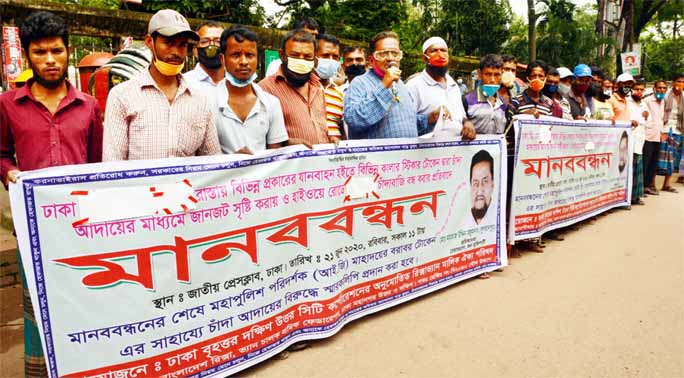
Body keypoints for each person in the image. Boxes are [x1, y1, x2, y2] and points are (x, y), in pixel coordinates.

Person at [0, 11, 104, 377]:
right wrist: (10, 173)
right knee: (35, 311)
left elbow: (95, 165)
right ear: (28, 55)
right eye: (40, 52)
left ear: (68, 51)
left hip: (80, 229)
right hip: (32, 231)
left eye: (56, 51)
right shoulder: (9, 105)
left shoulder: (89, 106)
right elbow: (0, 153)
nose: (49, 60)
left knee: (82, 302)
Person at [103, 9, 220, 160]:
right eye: (168, 43)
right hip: (142, 184)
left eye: (182, 45)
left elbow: (213, 161)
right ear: (149, 42)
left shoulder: (200, 100)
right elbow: (113, 164)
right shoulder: (122, 96)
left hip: (187, 184)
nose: (176, 52)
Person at [344, 31, 440, 139]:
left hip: (405, 155)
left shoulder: (401, 85)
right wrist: (384, 86)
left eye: (395, 53)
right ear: (371, 60)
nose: (390, 58)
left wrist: (429, 119)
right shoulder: (359, 83)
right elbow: (354, 120)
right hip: (376, 155)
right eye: (383, 54)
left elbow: (406, 125)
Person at [213, 25, 288, 154]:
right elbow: (203, 158)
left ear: (257, 59)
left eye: (249, 55)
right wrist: (230, 164)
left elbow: (275, 159)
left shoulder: (271, 103)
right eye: (236, 55)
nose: (244, 62)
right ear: (222, 59)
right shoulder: (207, 102)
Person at [259, 29, 331, 146]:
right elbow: (257, 139)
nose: (301, 61)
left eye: (307, 57)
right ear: (282, 55)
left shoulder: (318, 86)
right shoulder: (265, 89)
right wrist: (287, 144)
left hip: (321, 162)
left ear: (315, 60)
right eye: (295, 56)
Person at [406, 36, 476, 140]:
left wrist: (467, 122)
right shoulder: (414, 86)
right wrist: (430, 118)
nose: (440, 55)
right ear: (425, 58)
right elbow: (405, 124)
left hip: (455, 151)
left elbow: (461, 116)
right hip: (426, 153)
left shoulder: (453, 85)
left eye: (443, 50)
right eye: (434, 51)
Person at [316, 33, 344, 143]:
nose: (331, 60)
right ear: (314, 56)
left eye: (335, 57)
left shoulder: (339, 94)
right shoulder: (302, 89)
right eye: (325, 56)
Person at [183, 21, 225, 91]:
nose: (211, 47)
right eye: (204, 42)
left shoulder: (239, 83)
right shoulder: (184, 84)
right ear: (195, 50)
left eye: (218, 41)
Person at [644, 80, 667, 194]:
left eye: (664, 88)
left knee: (654, 163)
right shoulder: (647, 100)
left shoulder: (663, 101)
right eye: (659, 88)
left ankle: (648, 185)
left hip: (658, 136)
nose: (661, 90)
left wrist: (663, 132)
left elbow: (661, 119)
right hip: (648, 136)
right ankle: (642, 186)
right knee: (646, 162)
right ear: (654, 88)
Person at [627, 78, 648, 205]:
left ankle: (636, 196)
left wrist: (646, 115)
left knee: (637, 168)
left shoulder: (644, 104)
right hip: (629, 138)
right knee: (629, 169)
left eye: (641, 90)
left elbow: (646, 120)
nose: (639, 92)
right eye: (636, 89)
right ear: (632, 89)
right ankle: (627, 198)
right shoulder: (627, 102)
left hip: (640, 140)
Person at [464, 149, 496, 227]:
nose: (479, 190)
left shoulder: (499, 216)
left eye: (485, 182)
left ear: (492, 184)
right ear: (470, 186)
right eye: (475, 183)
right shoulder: (462, 221)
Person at [665, 73, 684, 184]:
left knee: (673, 156)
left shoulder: (683, 96)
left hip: (677, 129)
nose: (680, 84)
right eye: (678, 81)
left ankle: (667, 183)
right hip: (665, 128)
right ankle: (652, 183)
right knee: (662, 157)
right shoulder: (666, 95)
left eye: (682, 82)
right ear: (673, 82)